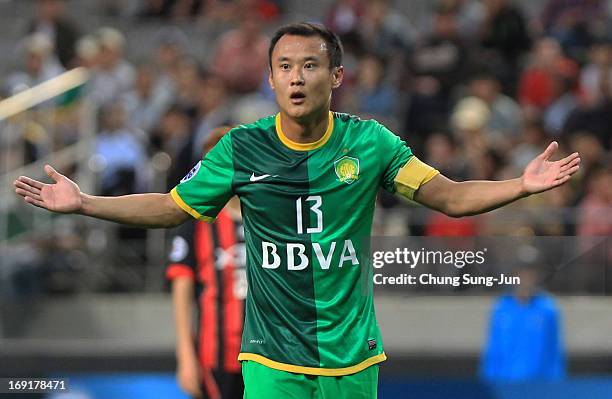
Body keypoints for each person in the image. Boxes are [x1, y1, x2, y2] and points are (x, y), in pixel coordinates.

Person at [14, 22, 581, 398]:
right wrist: (86, 202)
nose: (295, 77)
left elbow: (450, 197)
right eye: (283, 66)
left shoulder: (370, 143)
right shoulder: (240, 147)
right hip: (270, 356)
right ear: (269, 78)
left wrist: (521, 185)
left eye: (308, 66)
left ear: (335, 77)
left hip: (353, 356)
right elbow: (171, 207)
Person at [166, 126, 246, 399]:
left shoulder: (269, 217)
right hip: (216, 356)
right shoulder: (195, 222)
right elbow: (182, 290)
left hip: (270, 355)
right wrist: (185, 355)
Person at [480, 265, 566, 381]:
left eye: (530, 276)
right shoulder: (501, 308)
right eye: (521, 276)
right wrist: (489, 379)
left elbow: (554, 349)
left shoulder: (547, 309)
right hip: (505, 382)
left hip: (538, 383)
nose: (525, 281)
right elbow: (493, 348)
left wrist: (556, 382)